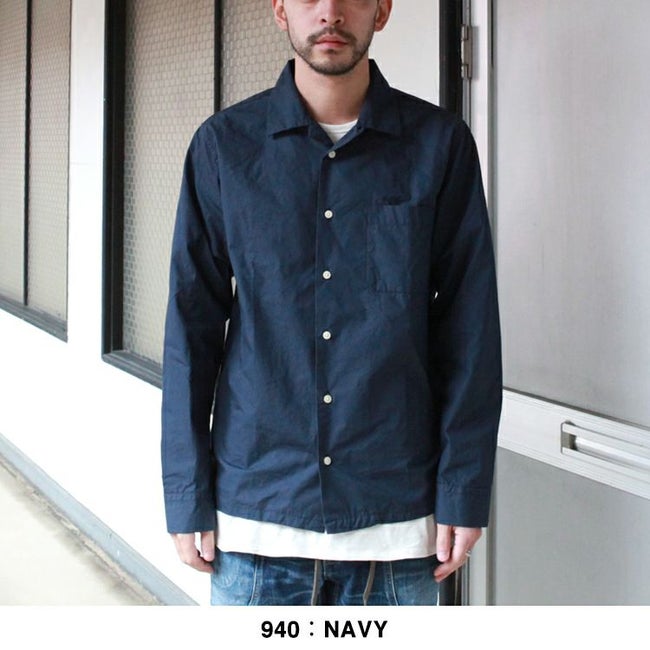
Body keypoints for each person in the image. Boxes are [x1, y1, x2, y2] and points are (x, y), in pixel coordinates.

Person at [161, 0, 501, 606]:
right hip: (256, 525)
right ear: (280, 10)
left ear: (382, 10)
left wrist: (464, 489)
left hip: (397, 528)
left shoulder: (440, 145)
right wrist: (186, 492)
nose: (330, 12)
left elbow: (469, 331)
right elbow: (192, 332)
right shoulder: (223, 148)